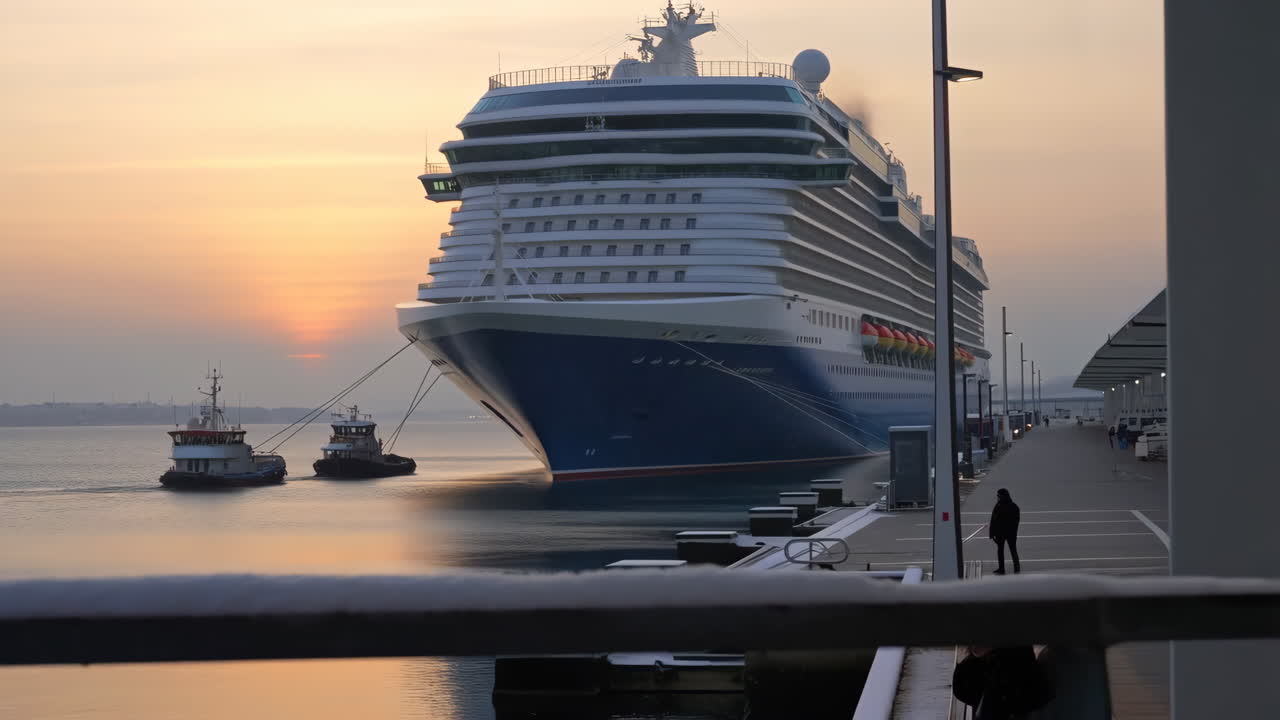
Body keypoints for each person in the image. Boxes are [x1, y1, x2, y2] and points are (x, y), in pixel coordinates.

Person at [990, 488, 1021, 574]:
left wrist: (993, 534)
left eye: (999, 496)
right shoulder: (1010, 506)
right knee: (1004, 551)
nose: (998, 497)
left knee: (1011, 551)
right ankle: (1003, 568)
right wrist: (992, 534)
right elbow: (993, 520)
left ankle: (1015, 569)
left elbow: (1015, 522)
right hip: (1004, 534)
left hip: (1006, 534)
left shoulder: (1008, 507)